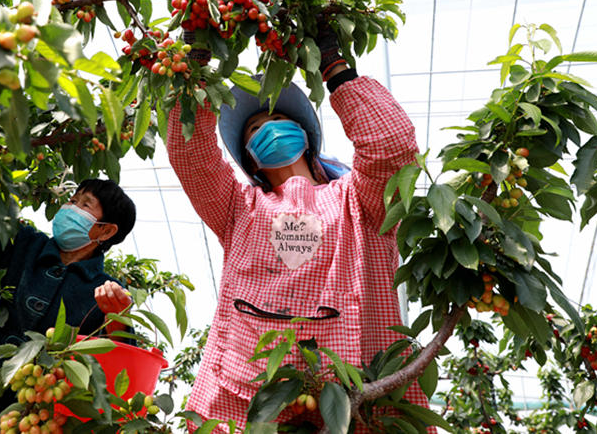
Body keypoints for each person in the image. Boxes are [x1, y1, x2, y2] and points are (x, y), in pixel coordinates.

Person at [167, 32, 433, 432]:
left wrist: (334, 66)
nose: (270, 129)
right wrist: (197, 67)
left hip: (359, 392)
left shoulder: (360, 202)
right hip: (248, 392)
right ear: (251, 161)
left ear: (307, 138)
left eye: (280, 121)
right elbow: (193, 155)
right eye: (257, 127)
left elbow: (392, 147)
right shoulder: (238, 207)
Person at [0, 178, 136, 433]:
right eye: (72, 200)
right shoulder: (25, 244)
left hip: (35, 417)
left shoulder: (107, 290)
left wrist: (117, 317)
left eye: (85, 205)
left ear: (106, 231)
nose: (70, 207)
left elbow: (124, 370)